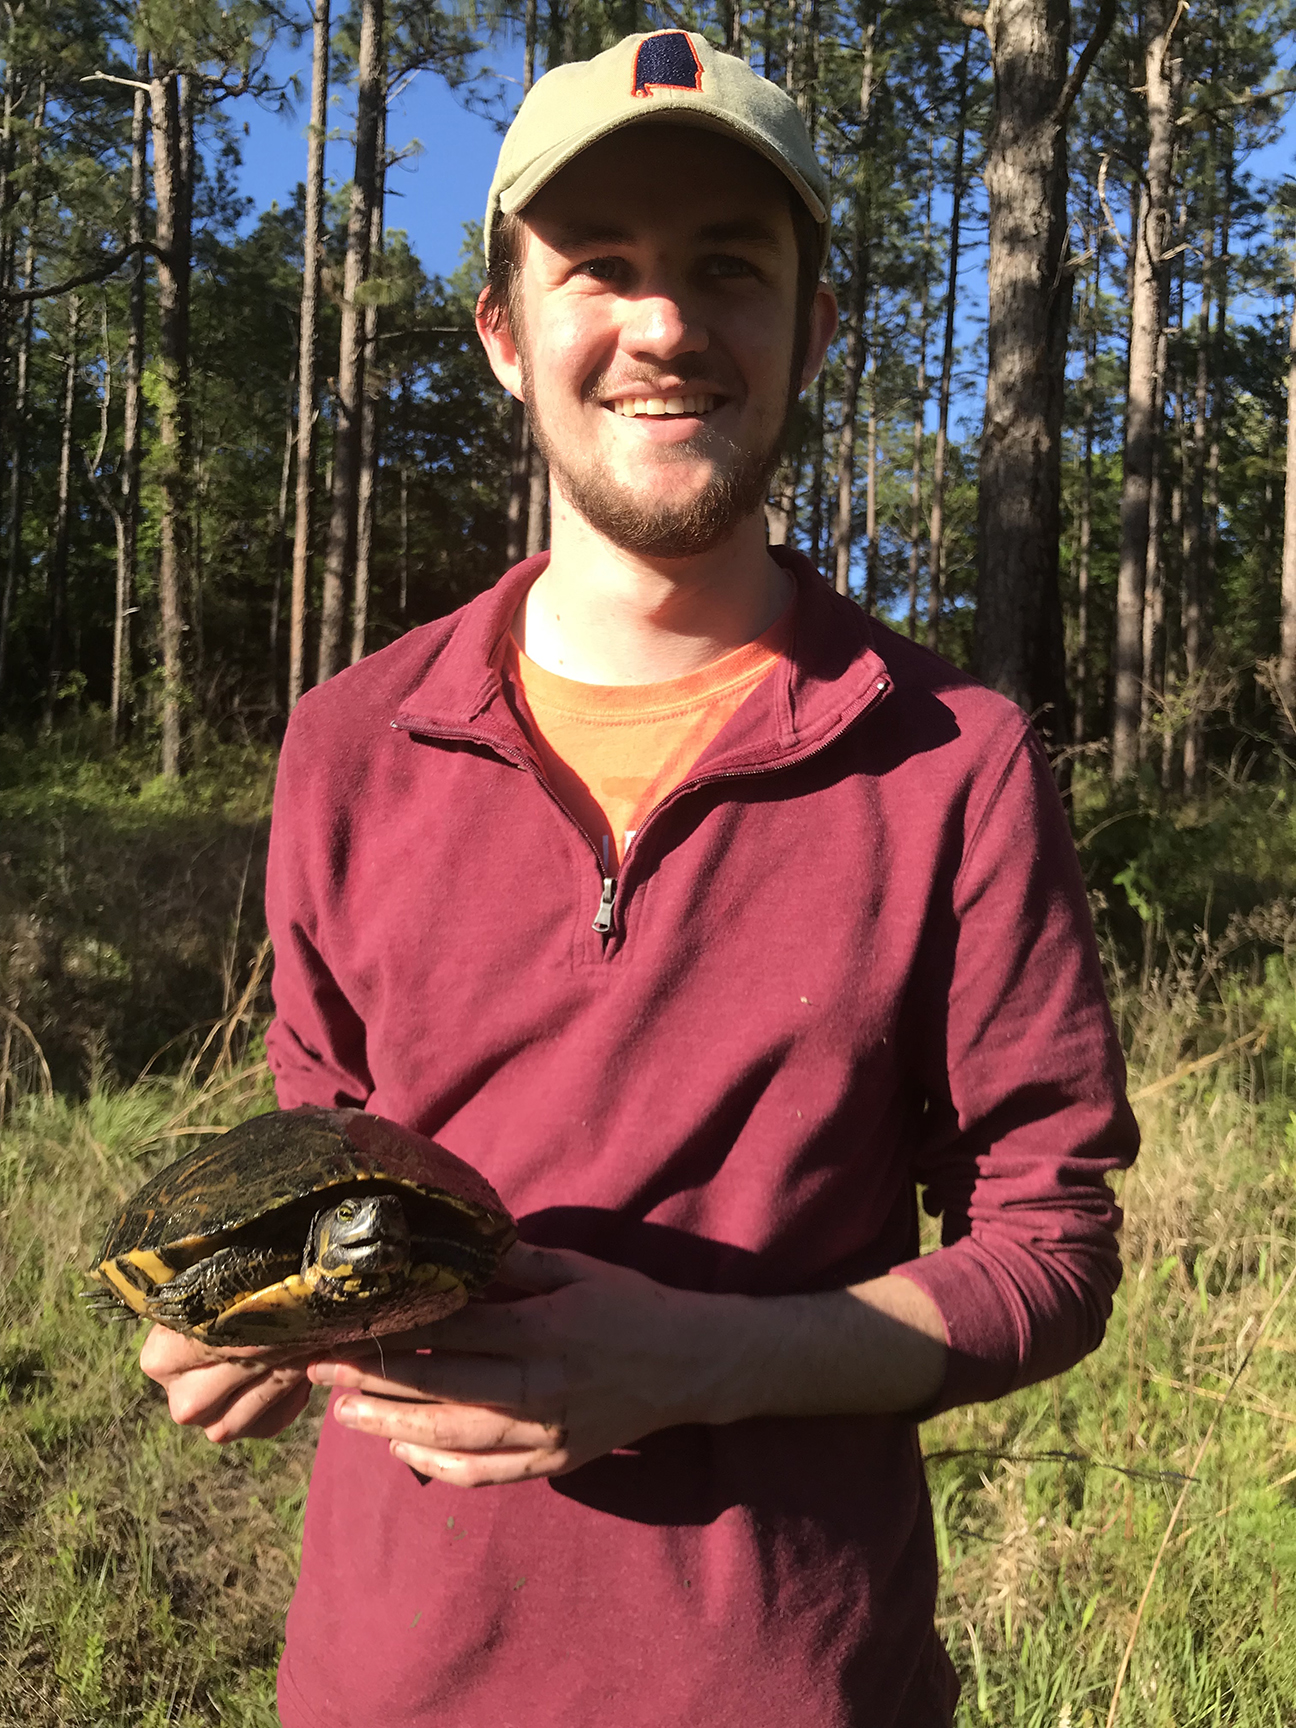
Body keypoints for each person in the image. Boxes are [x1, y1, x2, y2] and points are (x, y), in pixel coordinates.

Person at [142, 30, 1139, 1728]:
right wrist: (239, 1312)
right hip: (389, 1683)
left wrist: (698, 1361)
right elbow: (319, 1159)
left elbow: (1050, 1245)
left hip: (799, 1684)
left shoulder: (953, 757)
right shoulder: (351, 743)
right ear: (504, 334)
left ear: (817, 329)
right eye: (600, 267)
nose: (665, 325)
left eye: (729, 269)